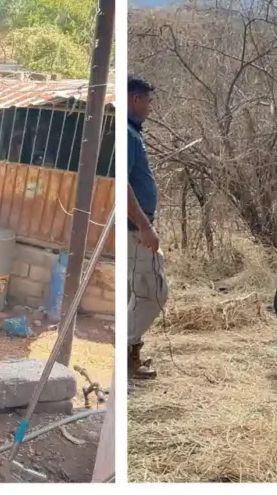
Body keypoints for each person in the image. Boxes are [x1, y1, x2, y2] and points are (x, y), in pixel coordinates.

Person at [127, 75, 168, 380]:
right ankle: (127, 355)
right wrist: (144, 226)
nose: (150, 107)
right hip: (135, 230)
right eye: (148, 101)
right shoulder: (128, 135)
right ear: (136, 99)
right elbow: (124, 186)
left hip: (136, 227)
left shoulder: (133, 133)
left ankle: (131, 357)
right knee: (153, 295)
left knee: (139, 294)